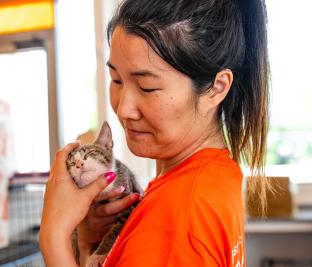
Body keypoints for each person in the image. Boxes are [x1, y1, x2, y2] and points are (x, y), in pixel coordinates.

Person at [39, 0, 270, 266]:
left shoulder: (175, 222)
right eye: (116, 80)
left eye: (147, 87)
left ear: (216, 88)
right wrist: (87, 240)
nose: (123, 109)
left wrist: (54, 237)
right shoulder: (214, 176)